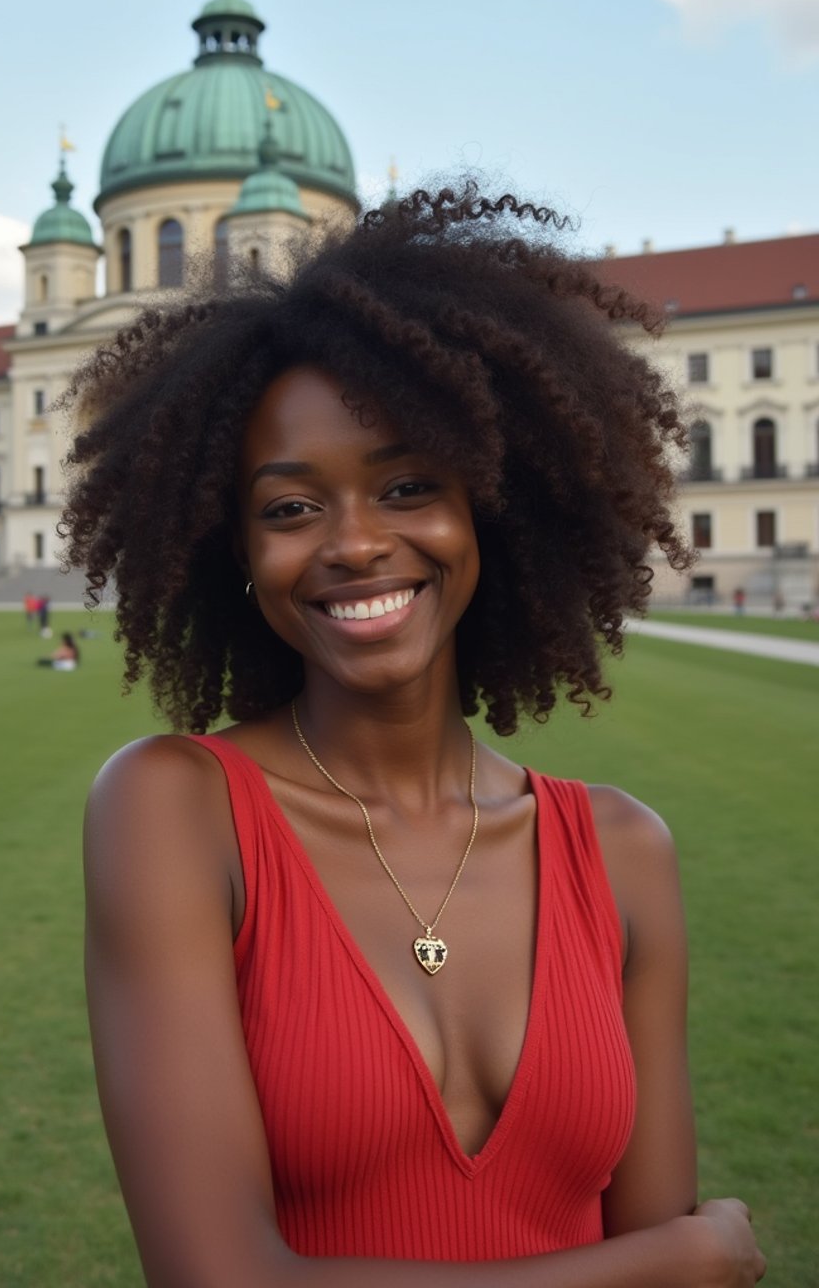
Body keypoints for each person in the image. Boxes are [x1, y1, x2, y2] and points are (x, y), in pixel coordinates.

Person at [60, 186, 765, 1288]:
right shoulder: (173, 808)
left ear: (490, 504)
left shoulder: (624, 850)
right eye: (291, 508)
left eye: (406, 487)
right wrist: (681, 1257)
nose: (354, 544)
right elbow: (221, 1281)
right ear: (229, 546)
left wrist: (666, 1258)